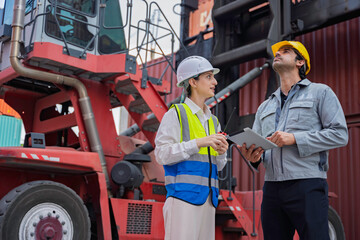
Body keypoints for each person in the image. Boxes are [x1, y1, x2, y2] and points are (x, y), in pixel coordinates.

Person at [239, 41, 348, 240]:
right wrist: (252, 157)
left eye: (286, 51)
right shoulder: (265, 106)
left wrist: (295, 138)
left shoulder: (320, 93)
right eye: (277, 52)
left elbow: (340, 134)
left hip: (307, 184)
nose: (278, 54)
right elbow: (259, 147)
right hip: (272, 188)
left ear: (300, 62)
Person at [155, 56, 228, 240]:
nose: (215, 82)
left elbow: (218, 166)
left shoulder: (213, 121)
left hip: (209, 200)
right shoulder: (176, 114)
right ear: (193, 82)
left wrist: (222, 153)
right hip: (182, 199)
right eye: (209, 77)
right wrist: (198, 143)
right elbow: (162, 155)